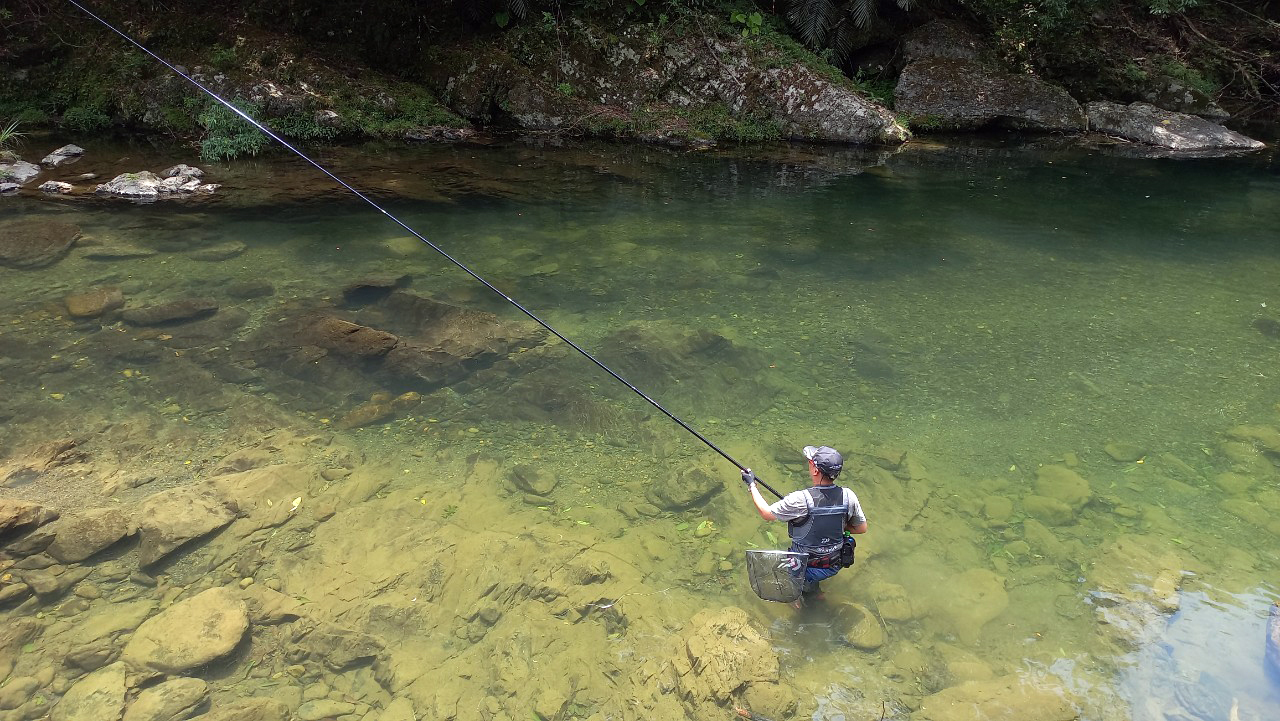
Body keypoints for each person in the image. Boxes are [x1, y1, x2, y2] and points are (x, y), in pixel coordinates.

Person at [742, 445, 867, 597]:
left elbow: (766, 514)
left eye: (810, 462)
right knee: (812, 580)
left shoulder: (800, 499)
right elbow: (861, 528)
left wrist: (751, 484)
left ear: (815, 470)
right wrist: (836, 525)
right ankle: (816, 593)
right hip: (835, 564)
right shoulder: (849, 496)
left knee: (796, 586)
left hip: (805, 566)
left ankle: (801, 602)